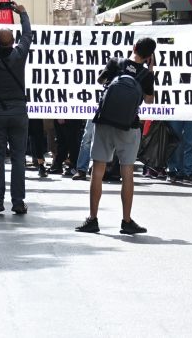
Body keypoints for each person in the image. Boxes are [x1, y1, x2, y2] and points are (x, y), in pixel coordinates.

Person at [76, 37, 156, 235]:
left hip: (105, 122)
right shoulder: (146, 74)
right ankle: (126, 221)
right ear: (148, 56)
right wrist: (150, 71)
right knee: (127, 172)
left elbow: (100, 80)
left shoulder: (115, 62)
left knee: (98, 170)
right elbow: (149, 101)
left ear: (133, 47)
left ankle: (93, 219)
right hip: (129, 126)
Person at [0, 0, 31, 215]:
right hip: (18, 111)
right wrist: (23, 13)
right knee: (19, 157)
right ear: (13, 41)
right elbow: (28, 36)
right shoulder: (19, 55)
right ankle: (18, 202)